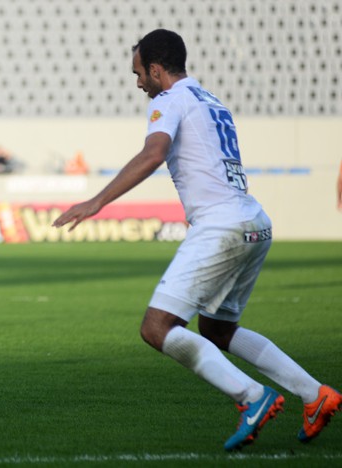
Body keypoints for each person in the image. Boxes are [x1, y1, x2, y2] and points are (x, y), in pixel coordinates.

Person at [53, 29, 340, 450]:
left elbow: (153, 154)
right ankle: (315, 394)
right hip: (254, 222)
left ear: (156, 70)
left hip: (221, 225)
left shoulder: (168, 100)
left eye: (139, 74)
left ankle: (251, 396)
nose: (138, 83)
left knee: (156, 328)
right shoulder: (210, 100)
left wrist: (96, 201)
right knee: (218, 329)